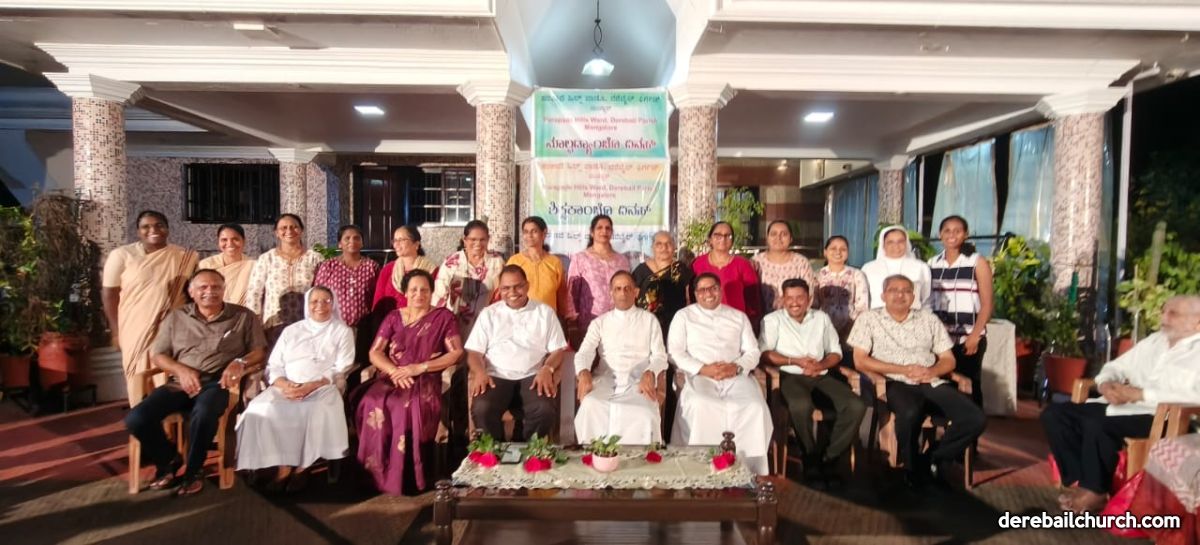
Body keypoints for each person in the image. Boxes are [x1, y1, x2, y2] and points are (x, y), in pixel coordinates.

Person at [1041, 295, 1200, 513]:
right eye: (1163, 311)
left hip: (1163, 416)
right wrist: (1106, 384)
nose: (1163, 318)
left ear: (1197, 322)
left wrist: (1141, 394)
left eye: (1172, 314)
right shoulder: (1155, 341)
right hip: (1123, 405)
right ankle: (1078, 482)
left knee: (1098, 425)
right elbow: (1116, 367)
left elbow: (1194, 395)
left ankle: (1095, 490)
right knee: (1055, 414)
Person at [124, 269, 266, 496]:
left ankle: (194, 470)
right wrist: (180, 370)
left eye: (216, 287)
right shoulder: (176, 317)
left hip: (218, 383)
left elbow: (259, 351)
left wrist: (240, 362)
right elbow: (158, 355)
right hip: (179, 383)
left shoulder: (243, 316)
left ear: (224, 289)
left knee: (204, 413)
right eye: (203, 287)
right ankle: (168, 461)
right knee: (136, 418)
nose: (210, 292)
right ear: (191, 292)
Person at [849, 274, 985, 488]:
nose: (900, 295)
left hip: (930, 380)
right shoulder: (869, 319)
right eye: (894, 290)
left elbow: (948, 359)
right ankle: (911, 469)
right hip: (894, 381)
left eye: (906, 291)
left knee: (975, 417)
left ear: (913, 297)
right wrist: (903, 369)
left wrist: (932, 371)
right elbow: (860, 360)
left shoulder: (928, 319)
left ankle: (933, 458)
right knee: (910, 412)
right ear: (883, 295)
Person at [236, 286, 354, 492]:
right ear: (307, 305)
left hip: (323, 387)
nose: (320, 306)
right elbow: (274, 364)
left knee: (314, 410)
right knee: (259, 409)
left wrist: (310, 386)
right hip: (286, 386)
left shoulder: (342, 331)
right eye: (314, 301)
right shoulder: (291, 331)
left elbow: (342, 366)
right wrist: (284, 384)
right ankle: (282, 466)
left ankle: (302, 467)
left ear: (333, 303)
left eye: (326, 301)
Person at [356, 269, 463, 495]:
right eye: (413, 290)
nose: (419, 294)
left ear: (432, 292)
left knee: (404, 406)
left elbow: (456, 353)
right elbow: (375, 352)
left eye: (424, 290)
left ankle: (407, 477)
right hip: (392, 375)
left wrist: (419, 368)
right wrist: (394, 371)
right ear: (405, 292)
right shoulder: (393, 317)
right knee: (370, 401)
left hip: (425, 377)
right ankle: (376, 474)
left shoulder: (444, 318)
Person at [760, 278, 866, 486]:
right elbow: (765, 353)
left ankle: (828, 458)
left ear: (809, 299)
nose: (795, 302)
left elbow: (835, 352)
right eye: (789, 298)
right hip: (790, 374)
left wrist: (820, 364)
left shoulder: (821, 318)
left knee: (856, 406)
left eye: (800, 297)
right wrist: (795, 361)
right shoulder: (772, 320)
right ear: (782, 299)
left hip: (821, 373)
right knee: (801, 405)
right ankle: (810, 459)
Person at [668, 272, 773, 475]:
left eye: (713, 288)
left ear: (720, 290)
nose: (708, 294)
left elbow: (753, 351)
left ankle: (748, 469)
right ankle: (700, 467)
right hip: (700, 375)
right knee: (701, 404)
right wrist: (703, 368)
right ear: (695, 294)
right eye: (702, 290)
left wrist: (736, 367)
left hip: (734, 375)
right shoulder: (683, 316)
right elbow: (674, 352)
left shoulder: (738, 316)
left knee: (754, 406)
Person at [102, 210, 199, 405]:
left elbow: (192, 295)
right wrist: (115, 332)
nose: (153, 230)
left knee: (169, 374)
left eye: (159, 225)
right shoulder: (121, 255)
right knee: (137, 374)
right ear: (138, 231)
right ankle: (140, 416)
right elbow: (109, 295)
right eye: (146, 227)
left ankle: (168, 419)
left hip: (173, 327)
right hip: (135, 328)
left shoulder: (186, 257)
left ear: (167, 229)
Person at [465, 265, 568, 441]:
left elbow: (558, 350)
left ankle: (527, 448)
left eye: (518, 286)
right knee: (482, 408)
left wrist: (547, 368)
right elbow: (474, 352)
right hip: (496, 375)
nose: (512, 292)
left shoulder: (544, 312)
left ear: (527, 286)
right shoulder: (489, 314)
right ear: (499, 289)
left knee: (544, 410)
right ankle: (493, 451)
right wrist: (480, 372)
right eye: (506, 288)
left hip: (532, 375)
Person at [574, 271, 668, 445]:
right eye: (617, 289)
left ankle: (640, 459)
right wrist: (583, 371)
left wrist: (650, 372)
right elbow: (584, 352)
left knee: (645, 413)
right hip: (606, 379)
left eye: (627, 288)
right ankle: (594, 454)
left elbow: (660, 356)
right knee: (590, 406)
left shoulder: (649, 320)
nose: (622, 293)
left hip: (639, 382)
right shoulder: (600, 322)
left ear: (636, 292)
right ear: (611, 293)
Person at [632, 230, 693, 438]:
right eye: (659, 244)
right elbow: (634, 299)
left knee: (670, 377)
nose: (664, 248)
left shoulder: (682, 270)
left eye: (668, 244)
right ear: (652, 247)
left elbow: (689, 300)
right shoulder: (641, 270)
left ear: (674, 247)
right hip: (647, 329)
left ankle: (668, 433)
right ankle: (647, 431)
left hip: (675, 329)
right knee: (650, 370)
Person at [928, 216, 994, 408]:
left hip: (968, 337)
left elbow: (987, 303)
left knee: (970, 384)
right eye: (947, 231)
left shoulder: (976, 262)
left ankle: (973, 424)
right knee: (944, 383)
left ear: (965, 234)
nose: (952, 235)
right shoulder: (932, 263)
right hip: (942, 339)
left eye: (957, 231)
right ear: (940, 235)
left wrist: (975, 335)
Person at [244, 214, 324, 342]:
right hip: (274, 324)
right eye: (283, 228)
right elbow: (254, 292)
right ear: (276, 232)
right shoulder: (267, 259)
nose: (289, 231)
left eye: (294, 227)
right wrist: (254, 322)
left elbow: (322, 291)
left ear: (302, 230)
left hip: (307, 323)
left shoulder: (315, 258)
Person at [433, 220, 506, 340]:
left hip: (486, 326)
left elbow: (501, 295)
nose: (478, 243)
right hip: (454, 327)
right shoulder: (451, 262)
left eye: (482, 239)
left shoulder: (496, 262)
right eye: (473, 239)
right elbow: (439, 296)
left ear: (488, 239)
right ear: (465, 240)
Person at [566, 214, 631, 338]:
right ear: (592, 232)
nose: (604, 231)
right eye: (599, 228)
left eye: (608, 228)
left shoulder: (622, 260)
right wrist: (572, 321)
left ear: (612, 232)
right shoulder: (581, 258)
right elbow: (571, 292)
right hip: (589, 322)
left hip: (618, 321)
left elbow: (628, 289)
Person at [691, 222, 763, 330]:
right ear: (710, 239)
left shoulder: (743, 265)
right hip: (703, 324)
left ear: (732, 240)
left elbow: (753, 300)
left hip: (734, 325)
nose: (723, 239)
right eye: (718, 235)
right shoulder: (697, 264)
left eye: (727, 235)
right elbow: (691, 296)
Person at [313, 225, 380, 330]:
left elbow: (377, 297)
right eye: (347, 238)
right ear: (340, 244)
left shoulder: (371, 266)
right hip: (334, 327)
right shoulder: (328, 266)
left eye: (356, 238)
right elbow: (318, 295)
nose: (352, 241)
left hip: (364, 327)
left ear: (362, 243)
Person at [813, 235, 870, 345]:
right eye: (833, 248)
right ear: (825, 252)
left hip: (850, 329)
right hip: (822, 329)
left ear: (848, 253)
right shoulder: (817, 275)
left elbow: (862, 307)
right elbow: (813, 306)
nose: (838, 252)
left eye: (843, 249)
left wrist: (852, 327)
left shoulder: (857, 274)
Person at [371, 225, 437, 317]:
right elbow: (378, 304)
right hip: (391, 323)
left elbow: (437, 301)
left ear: (416, 244)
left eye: (401, 240)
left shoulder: (431, 270)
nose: (396, 244)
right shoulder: (388, 269)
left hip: (423, 321)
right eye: (395, 240)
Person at [507, 216, 568, 316]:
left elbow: (562, 295)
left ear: (544, 233)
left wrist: (564, 317)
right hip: (521, 317)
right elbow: (507, 292)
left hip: (548, 318)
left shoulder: (554, 262)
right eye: (526, 232)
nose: (529, 235)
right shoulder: (515, 261)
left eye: (534, 231)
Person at [861, 225, 931, 310]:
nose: (896, 245)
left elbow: (926, 298)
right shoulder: (868, 268)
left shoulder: (921, 267)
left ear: (906, 243)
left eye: (900, 241)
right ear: (883, 245)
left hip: (913, 315)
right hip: (877, 315)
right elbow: (863, 298)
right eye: (890, 242)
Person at [753, 220, 816, 311]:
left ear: (791, 238)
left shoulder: (801, 262)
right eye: (773, 234)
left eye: (784, 234)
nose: (778, 238)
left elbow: (810, 293)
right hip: (762, 317)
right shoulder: (756, 262)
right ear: (767, 238)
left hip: (794, 316)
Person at [196, 223, 255, 306]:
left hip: (244, 311)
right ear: (218, 242)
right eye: (224, 240)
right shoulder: (206, 265)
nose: (230, 243)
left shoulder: (253, 265)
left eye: (235, 239)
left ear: (244, 241)